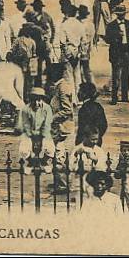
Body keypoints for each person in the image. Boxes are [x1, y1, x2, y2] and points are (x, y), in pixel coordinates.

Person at [48, 63, 75, 193]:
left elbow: (67, 110)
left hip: (64, 128)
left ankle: (62, 185)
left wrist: (52, 118)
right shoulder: (59, 86)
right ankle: (58, 181)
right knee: (57, 155)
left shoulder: (62, 88)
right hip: (59, 128)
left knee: (60, 156)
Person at [18, 86, 55, 174]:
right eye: (34, 100)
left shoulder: (47, 108)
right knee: (24, 148)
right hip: (30, 133)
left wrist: (41, 138)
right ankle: (30, 162)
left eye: (39, 100)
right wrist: (32, 136)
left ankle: (44, 161)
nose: (36, 102)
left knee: (49, 147)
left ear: (42, 99)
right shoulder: (25, 109)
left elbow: (47, 125)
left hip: (44, 134)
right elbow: (26, 124)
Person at [104, 5, 129, 105]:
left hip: (126, 52)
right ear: (117, 15)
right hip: (116, 53)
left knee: (126, 75)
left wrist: (126, 43)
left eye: (123, 14)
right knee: (116, 76)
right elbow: (107, 39)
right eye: (120, 14)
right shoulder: (111, 25)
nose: (122, 16)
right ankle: (114, 97)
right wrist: (117, 36)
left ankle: (125, 96)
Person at [75, 82, 107, 149]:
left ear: (84, 94)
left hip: (84, 142)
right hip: (97, 141)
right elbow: (104, 125)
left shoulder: (83, 109)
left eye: (79, 91)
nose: (78, 93)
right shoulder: (98, 106)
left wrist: (78, 142)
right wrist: (97, 136)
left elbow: (81, 129)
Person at [76, 5, 94, 84]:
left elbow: (89, 38)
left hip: (84, 48)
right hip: (77, 47)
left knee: (85, 67)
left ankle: (90, 85)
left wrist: (85, 50)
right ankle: (82, 84)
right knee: (78, 68)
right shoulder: (76, 21)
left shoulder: (88, 24)